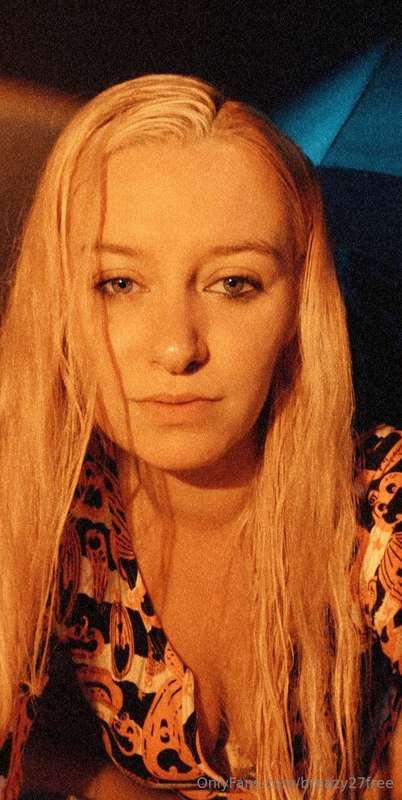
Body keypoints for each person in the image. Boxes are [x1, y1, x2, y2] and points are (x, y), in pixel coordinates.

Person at [0, 73, 400, 800]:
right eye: (119, 284)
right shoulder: (51, 496)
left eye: (233, 283)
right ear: (59, 305)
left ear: (298, 312)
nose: (178, 348)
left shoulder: (380, 507)